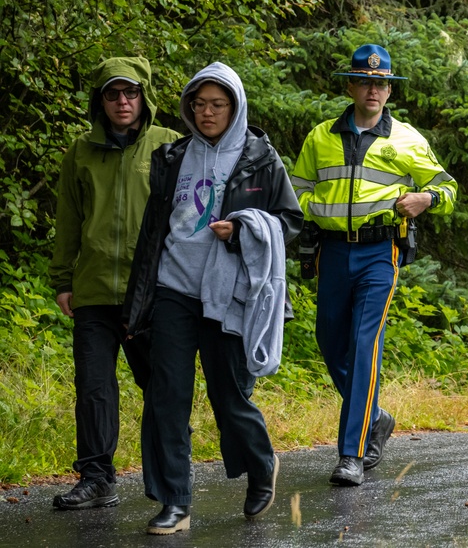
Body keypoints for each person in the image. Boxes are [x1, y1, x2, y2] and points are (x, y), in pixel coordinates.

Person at [124, 62, 302, 534]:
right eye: (199, 104)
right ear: (188, 106)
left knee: (230, 397)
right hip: (173, 290)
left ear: (235, 106)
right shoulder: (172, 157)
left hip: (230, 294)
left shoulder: (261, 158)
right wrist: (139, 298)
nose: (207, 113)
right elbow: (153, 231)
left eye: (217, 105)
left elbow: (290, 223)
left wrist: (244, 228)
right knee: (167, 396)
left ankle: (261, 463)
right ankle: (174, 502)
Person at [291, 44, 457, 487]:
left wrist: (426, 198)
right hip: (332, 251)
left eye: (381, 83)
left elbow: (448, 189)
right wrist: (318, 209)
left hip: (381, 252)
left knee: (365, 344)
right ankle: (376, 416)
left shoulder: (407, 139)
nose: (373, 90)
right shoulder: (320, 136)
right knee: (330, 340)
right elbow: (296, 191)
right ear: (350, 85)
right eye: (365, 81)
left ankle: (353, 452)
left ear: (389, 90)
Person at [50, 57, 181, 510]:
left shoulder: (169, 146)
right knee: (93, 387)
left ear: (145, 96)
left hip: (154, 292)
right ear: (100, 100)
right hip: (93, 291)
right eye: (112, 94)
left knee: (161, 385)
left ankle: (169, 478)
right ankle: (96, 477)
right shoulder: (80, 151)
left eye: (131, 93)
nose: (123, 102)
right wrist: (63, 280)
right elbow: (68, 220)